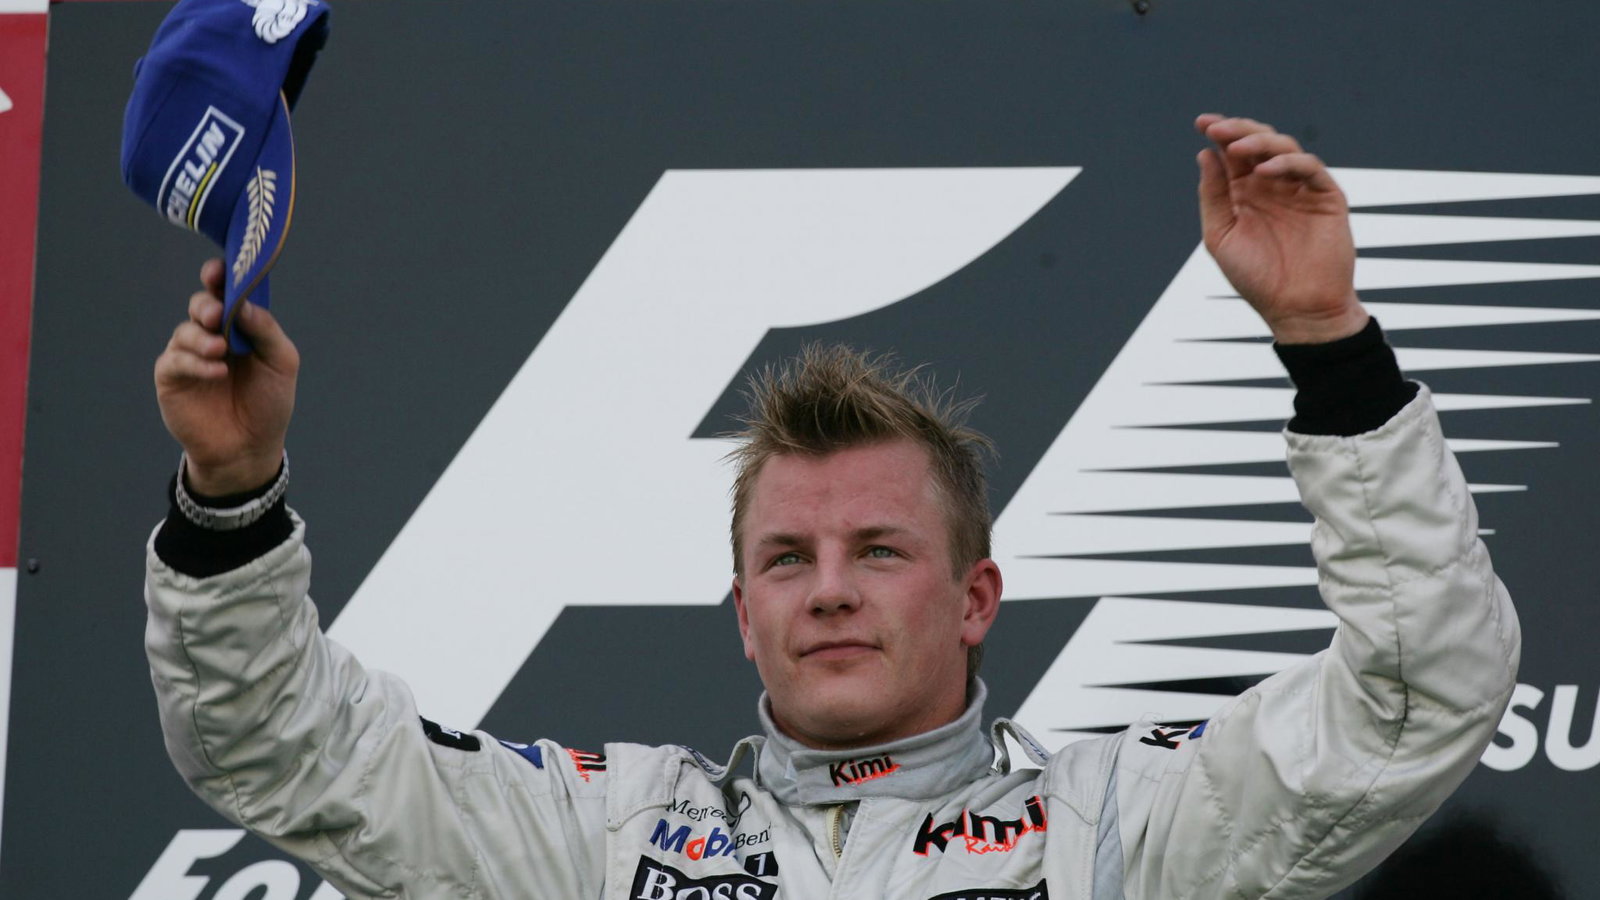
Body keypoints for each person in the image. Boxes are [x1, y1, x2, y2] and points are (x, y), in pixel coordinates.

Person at [146, 116, 1519, 899]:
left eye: (879, 549)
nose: (830, 588)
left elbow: (1419, 697)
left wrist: (1330, 344)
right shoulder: (613, 838)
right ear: (744, 615)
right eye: (787, 560)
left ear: (975, 598)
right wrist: (230, 494)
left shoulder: (1125, 824)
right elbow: (274, 744)